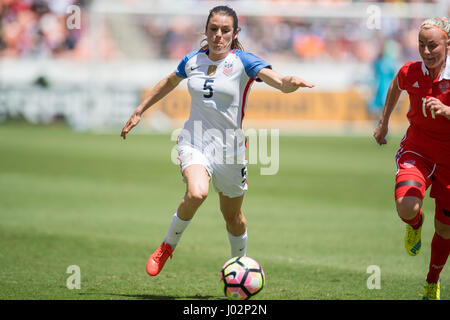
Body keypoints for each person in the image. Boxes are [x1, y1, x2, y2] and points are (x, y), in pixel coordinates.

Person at [120, 5, 314, 277]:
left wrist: (288, 82)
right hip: (194, 142)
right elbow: (169, 81)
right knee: (196, 192)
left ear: (235, 33)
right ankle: (167, 246)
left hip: (230, 152)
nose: (218, 36)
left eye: (225, 30)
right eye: (213, 29)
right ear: (206, 30)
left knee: (233, 218)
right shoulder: (192, 60)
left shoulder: (243, 61)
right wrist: (140, 109)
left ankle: (239, 267)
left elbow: (277, 80)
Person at [373, 17, 450, 300]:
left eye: (433, 46)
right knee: (406, 207)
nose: (426, 52)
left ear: (448, 45)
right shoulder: (411, 71)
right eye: (421, 45)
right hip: (418, 149)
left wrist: (447, 111)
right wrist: (383, 123)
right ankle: (415, 225)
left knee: (444, 228)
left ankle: (432, 281)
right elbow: (396, 84)